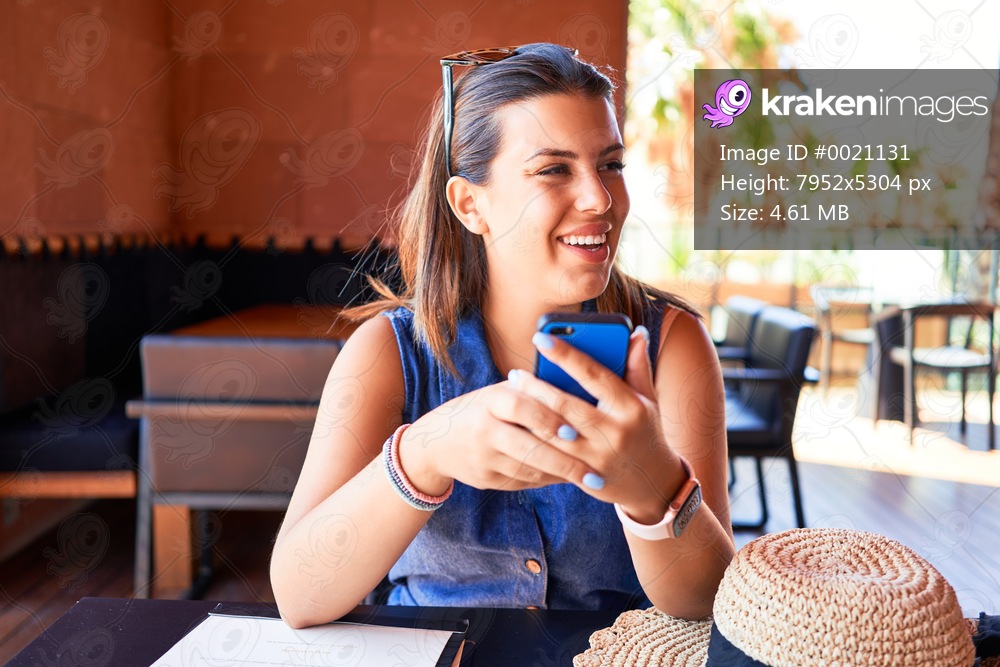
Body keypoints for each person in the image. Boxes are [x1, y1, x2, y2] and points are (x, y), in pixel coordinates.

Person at [270, 42, 735, 629]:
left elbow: (711, 604)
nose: (600, 199)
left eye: (611, 164)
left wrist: (652, 487)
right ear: (470, 204)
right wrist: (426, 451)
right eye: (553, 169)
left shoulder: (673, 345)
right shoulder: (389, 353)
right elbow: (298, 595)